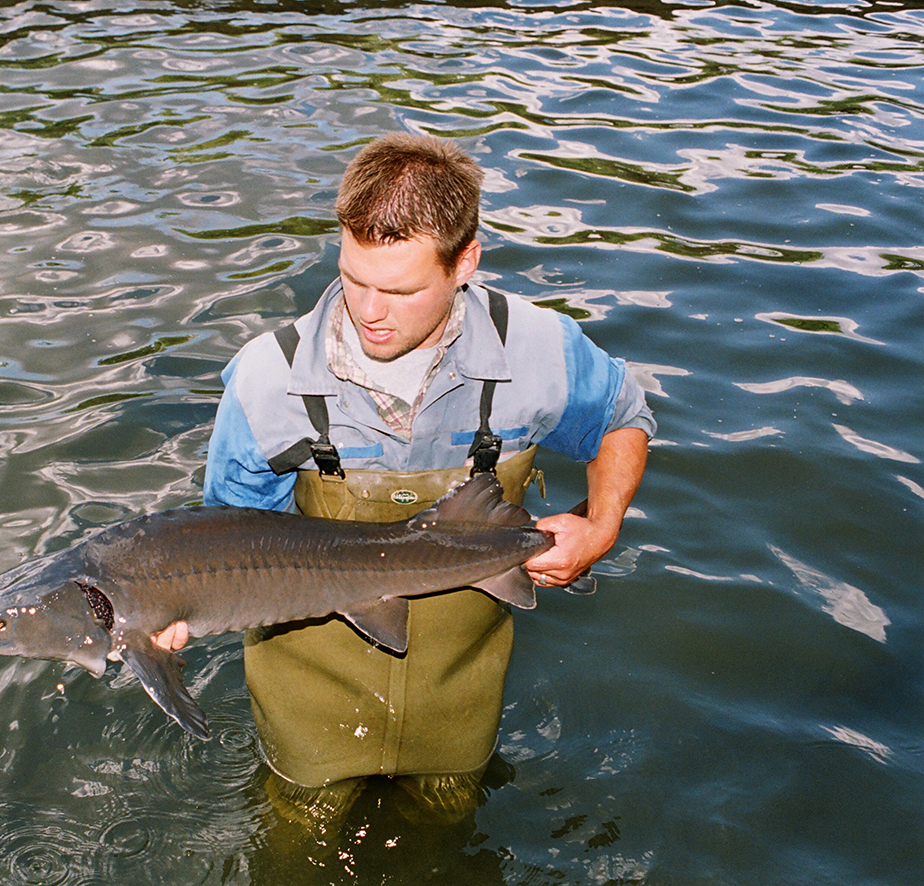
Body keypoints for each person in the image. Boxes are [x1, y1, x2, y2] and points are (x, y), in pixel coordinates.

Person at [154, 133, 653, 831]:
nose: (369, 311)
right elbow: (222, 546)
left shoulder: (539, 350)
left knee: (452, 831)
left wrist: (600, 527)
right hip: (310, 698)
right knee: (300, 835)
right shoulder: (267, 382)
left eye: (401, 289)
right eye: (354, 279)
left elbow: (623, 418)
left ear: (465, 262)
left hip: (460, 699)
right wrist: (174, 610)